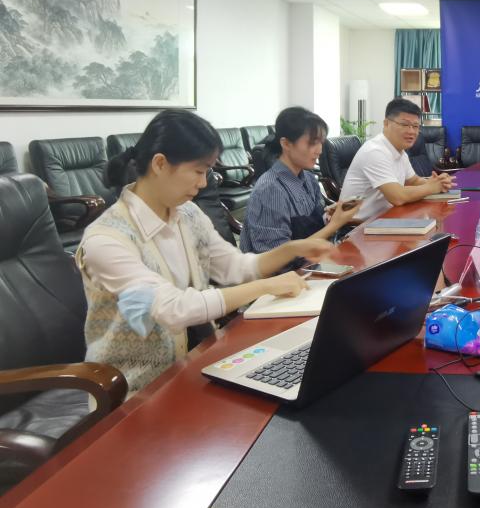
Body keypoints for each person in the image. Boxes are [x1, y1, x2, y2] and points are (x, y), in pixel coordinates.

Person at [77, 110, 339, 394]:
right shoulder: (106, 239)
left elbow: (235, 267)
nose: (203, 183)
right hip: (137, 391)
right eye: (199, 171)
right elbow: (173, 308)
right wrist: (265, 286)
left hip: (198, 366)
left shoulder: (187, 214)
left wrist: (293, 248)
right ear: (160, 164)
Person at [240, 107, 359, 253]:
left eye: (321, 142)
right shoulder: (270, 190)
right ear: (286, 144)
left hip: (314, 259)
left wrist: (328, 217)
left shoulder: (309, 179)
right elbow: (276, 259)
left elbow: (312, 230)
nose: (320, 150)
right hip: (290, 267)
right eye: (312, 143)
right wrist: (335, 225)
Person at [341, 98, 453, 221]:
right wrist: (431, 187)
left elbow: (413, 181)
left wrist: (438, 182)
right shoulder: (374, 151)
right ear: (386, 123)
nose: (411, 131)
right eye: (405, 125)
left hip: (385, 219)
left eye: (415, 126)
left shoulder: (400, 151)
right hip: (356, 226)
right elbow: (398, 197)